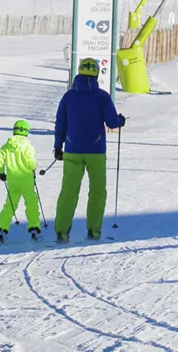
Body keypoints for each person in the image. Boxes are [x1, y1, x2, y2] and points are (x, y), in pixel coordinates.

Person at [53, 57, 125, 243]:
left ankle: (61, 232)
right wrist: (121, 121)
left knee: (68, 191)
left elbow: (61, 122)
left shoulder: (68, 96)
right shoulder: (101, 96)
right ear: (96, 73)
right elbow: (111, 122)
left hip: (72, 148)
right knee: (97, 191)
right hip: (96, 150)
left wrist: (57, 146)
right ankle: (93, 230)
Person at [0, 119, 41, 243]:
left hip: (13, 180)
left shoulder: (7, 146)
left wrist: (1, 173)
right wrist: (34, 168)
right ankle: (34, 227)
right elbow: (30, 161)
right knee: (31, 203)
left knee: (9, 204)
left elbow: (0, 161)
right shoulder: (27, 146)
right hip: (26, 179)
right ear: (26, 132)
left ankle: (2, 229)